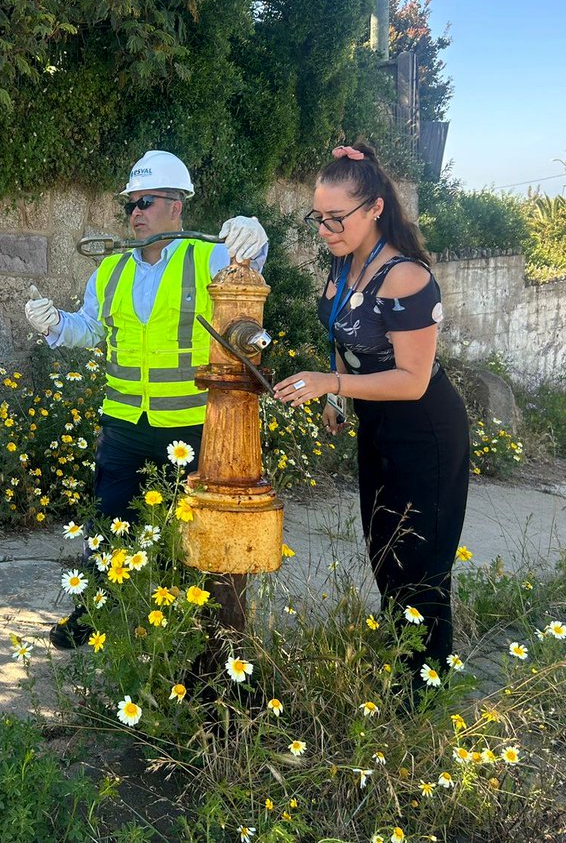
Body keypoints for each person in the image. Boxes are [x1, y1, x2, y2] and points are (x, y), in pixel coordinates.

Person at [25, 150, 270, 648]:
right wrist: (56, 325)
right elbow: (91, 329)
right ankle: (94, 613)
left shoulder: (207, 256)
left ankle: (190, 625)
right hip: (123, 422)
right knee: (110, 520)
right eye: (131, 205)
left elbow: (250, 268)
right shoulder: (110, 269)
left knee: (187, 529)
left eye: (147, 202)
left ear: (177, 206)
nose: (136, 212)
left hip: (188, 425)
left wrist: (254, 233)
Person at [272, 143, 470, 677]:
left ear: (375, 208)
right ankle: (399, 663)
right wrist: (340, 396)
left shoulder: (406, 277)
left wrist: (329, 382)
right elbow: (341, 329)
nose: (325, 229)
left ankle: (423, 689)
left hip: (425, 429)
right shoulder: (342, 265)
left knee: (421, 563)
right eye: (319, 217)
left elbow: (413, 379)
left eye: (338, 218)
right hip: (377, 423)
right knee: (385, 550)